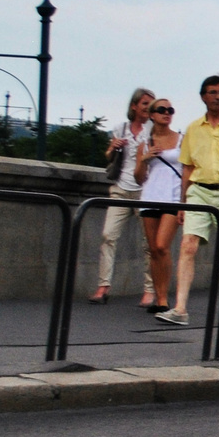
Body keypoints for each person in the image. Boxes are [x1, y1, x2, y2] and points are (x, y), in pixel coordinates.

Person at [157, 76, 219, 327]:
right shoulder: (193, 129)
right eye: (212, 92)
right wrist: (182, 203)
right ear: (203, 96)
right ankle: (180, 308)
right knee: (187, 246)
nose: (217, 97)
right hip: (199, 192)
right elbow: (187, 168)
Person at [92, 87, 156, 306]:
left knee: (148, 243)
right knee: (108, 236)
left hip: (144, 190)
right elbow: (109, 158)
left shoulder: (154, 130)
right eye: (145, 103)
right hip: (120, 189)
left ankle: (149, 290)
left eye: (151, 104)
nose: (149, 108)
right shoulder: (121, 128)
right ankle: (103, 286)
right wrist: (113, 147)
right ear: (134, 106)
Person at [135, 98, 182, 314]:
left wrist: (185, 201)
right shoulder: (145, 143)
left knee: (163, 246)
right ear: (152, 115)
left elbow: (188, 170)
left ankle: (163, 299)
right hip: (150, 196)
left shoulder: (181, 140)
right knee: (153, 249)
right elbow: (138, 178)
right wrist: (144, 159)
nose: (167, 113)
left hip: (173, 198)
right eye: (161, 110)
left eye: (170, 110)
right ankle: (159, 296)